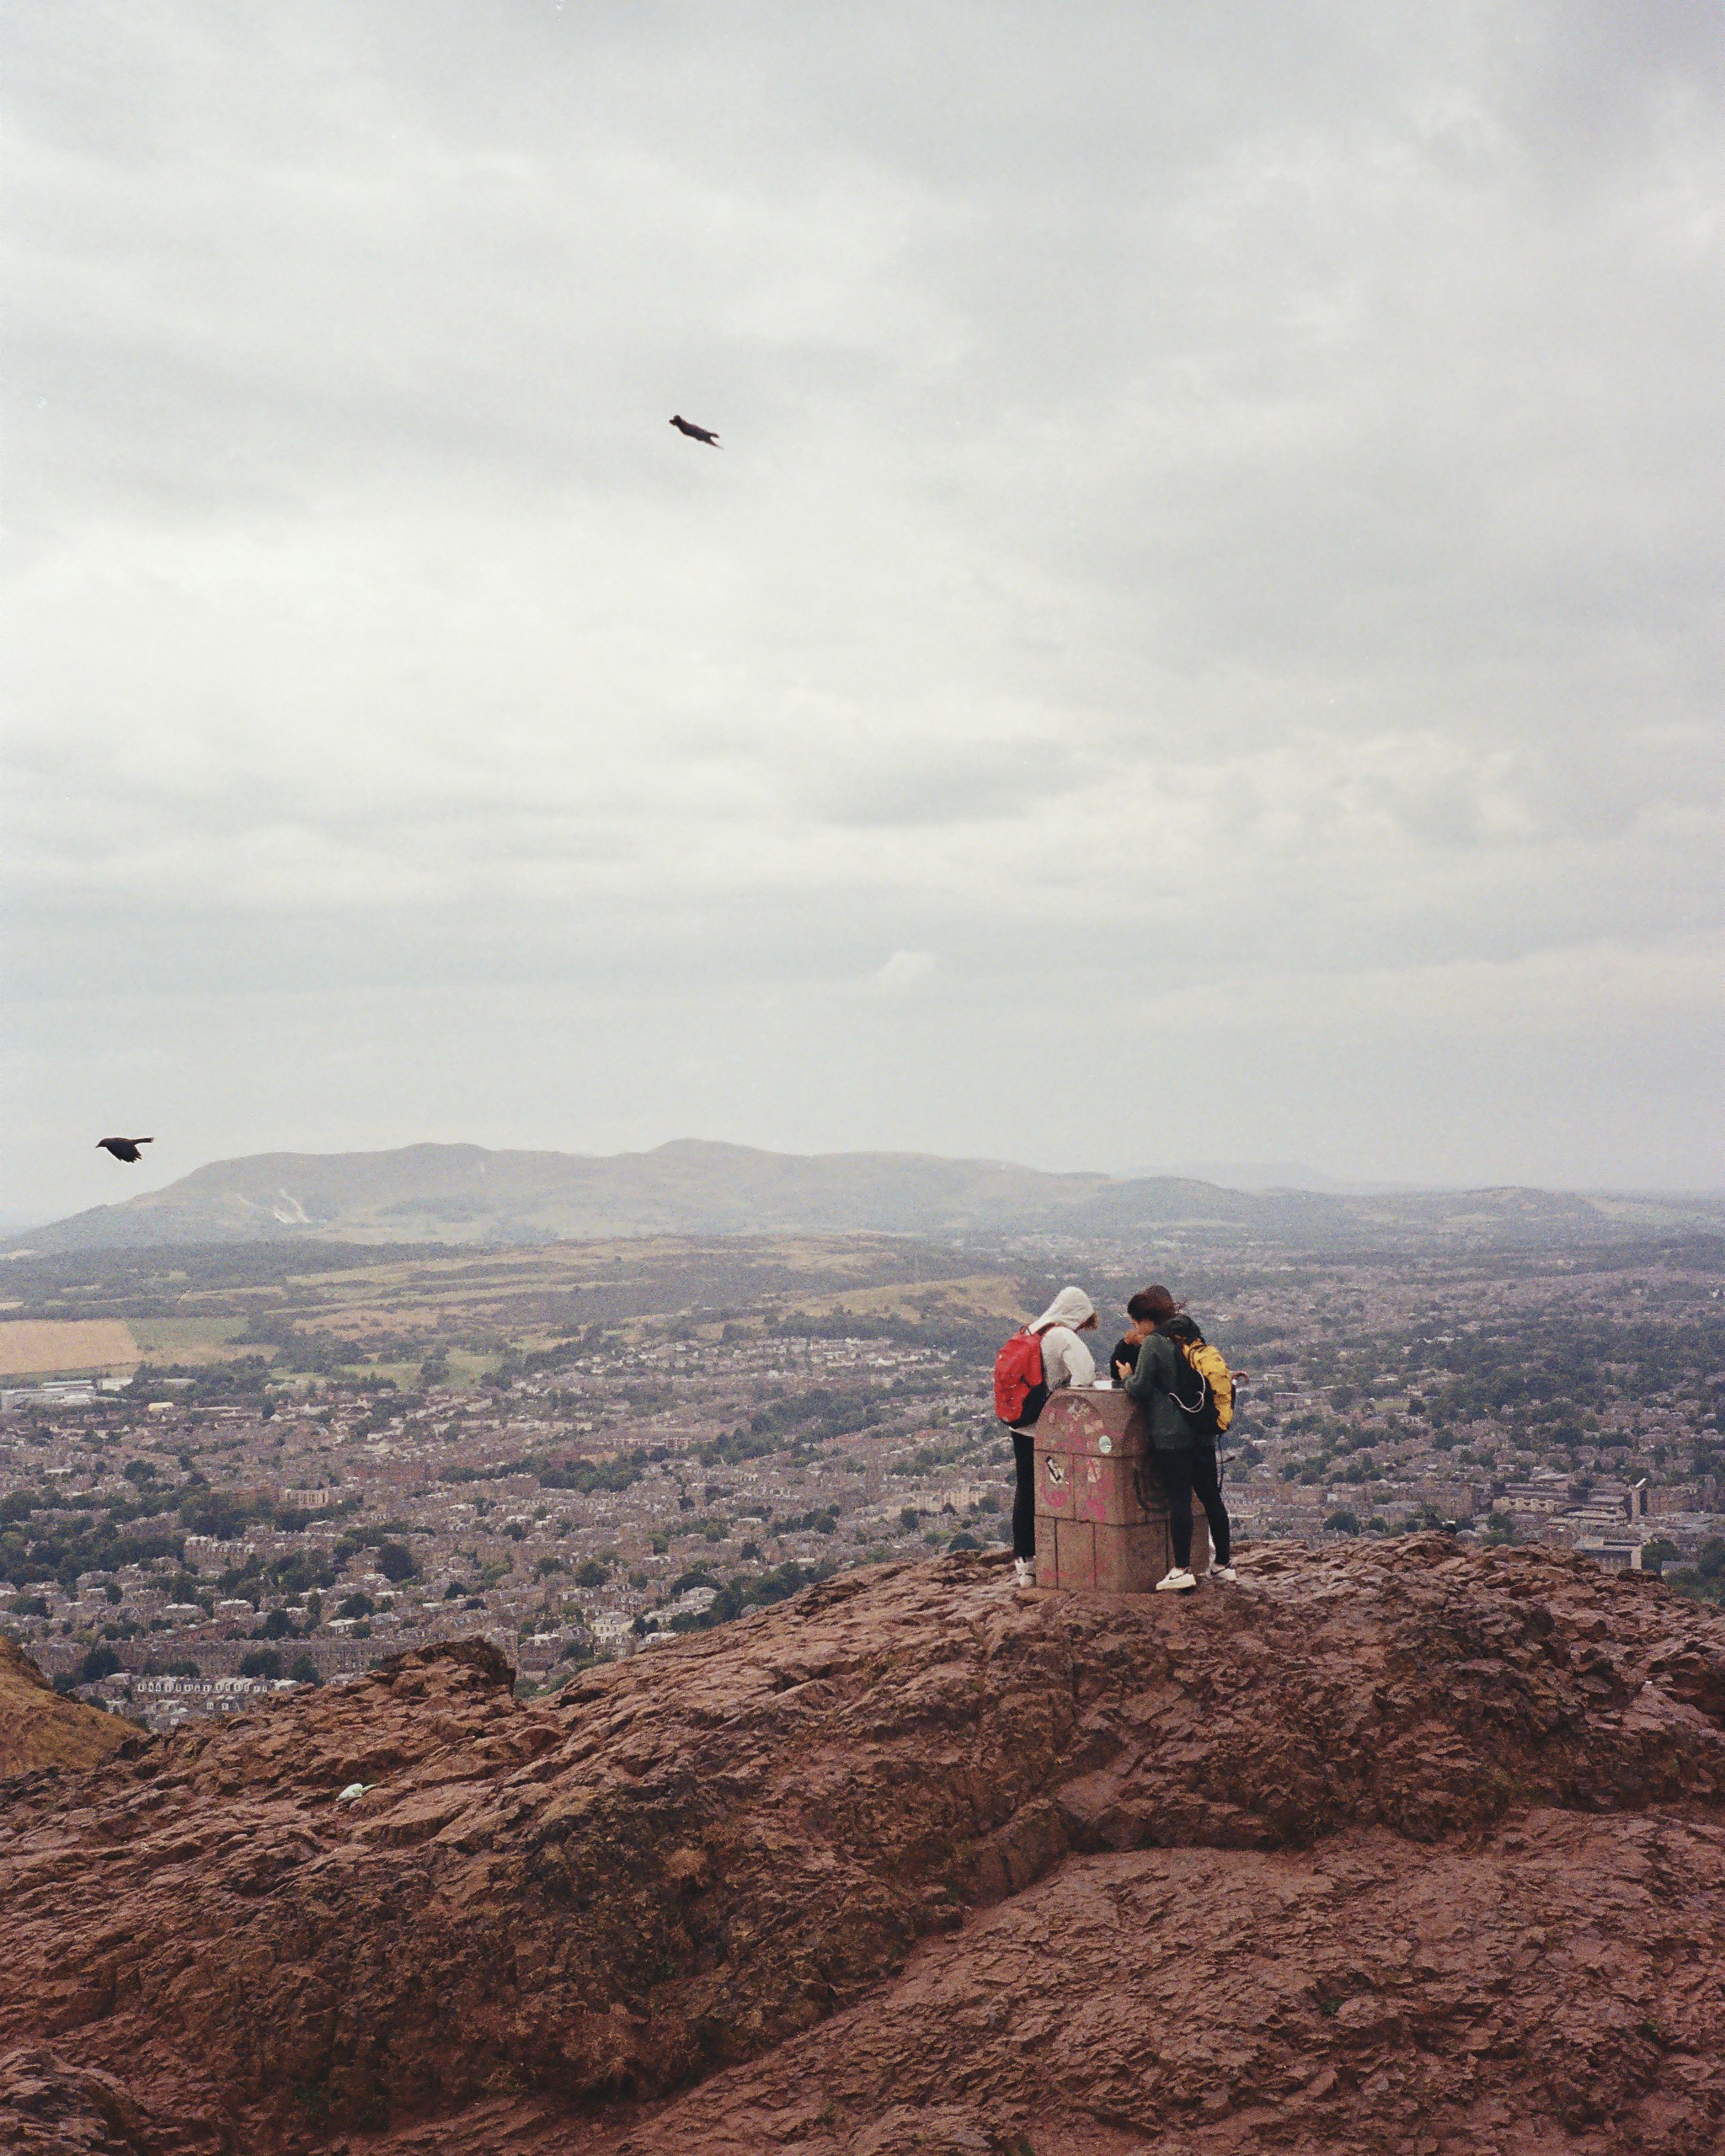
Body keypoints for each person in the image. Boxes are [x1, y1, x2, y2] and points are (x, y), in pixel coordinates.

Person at [1121, 1284, 1236, 1592]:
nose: (1135, 1329)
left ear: (1146, 1319)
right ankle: (1223, 1564)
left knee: (1179, 1500)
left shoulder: (1155, 1344)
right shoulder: (1185, 1337)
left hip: (1172, 1436)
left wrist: (1126, 1377)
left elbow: (1141, 1388)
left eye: (1135, 1322)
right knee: (1211, 1496)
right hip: (1202, 1431)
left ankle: (1181, 1568)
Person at [1007, 1286, 1098, 1588]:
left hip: (1020, 1424)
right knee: (1063, 1486)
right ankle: (1065, 1555)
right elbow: (1085, 1375)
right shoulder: (1062, 1336)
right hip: (1050, 1430)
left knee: (1027, 1489)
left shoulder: (1031, 1330)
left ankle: (1025, 1563)